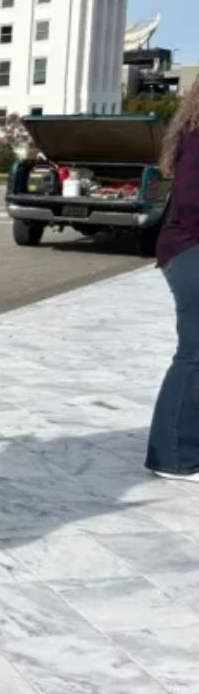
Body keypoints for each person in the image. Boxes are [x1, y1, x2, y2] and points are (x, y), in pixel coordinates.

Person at [147, 78, 199, 481]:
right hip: (189, 249)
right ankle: (173, 457)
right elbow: (191, 201)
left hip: (183, 247)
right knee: (194, 353)